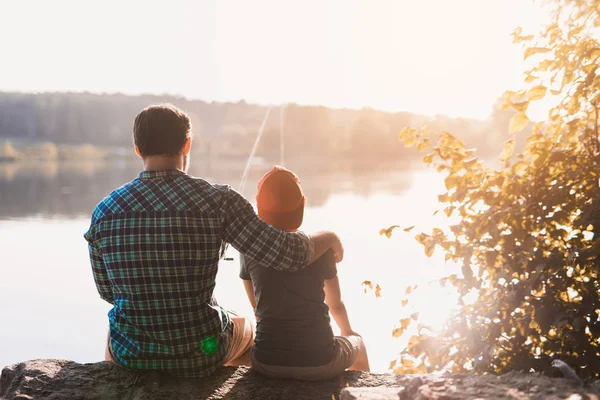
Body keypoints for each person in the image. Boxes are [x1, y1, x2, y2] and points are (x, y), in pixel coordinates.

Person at [83, 104, 344, 378]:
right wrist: (330, 237)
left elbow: (108, 292)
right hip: (201, 353)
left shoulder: (104, 211)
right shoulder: (219, 201)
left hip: (132, 355)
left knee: (115, 331)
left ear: (138, 148)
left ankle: (116, 388)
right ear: (187, 145)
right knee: (247, 327)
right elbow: (287, 254)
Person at [240, 166, 370, 381]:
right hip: (320, 361)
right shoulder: (321, 250)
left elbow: (257, 308)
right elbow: (335, 305)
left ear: (259, 207)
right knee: (359, 345)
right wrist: (348, 331)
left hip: (266, 362)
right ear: (303, 205)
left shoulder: (249, 250)